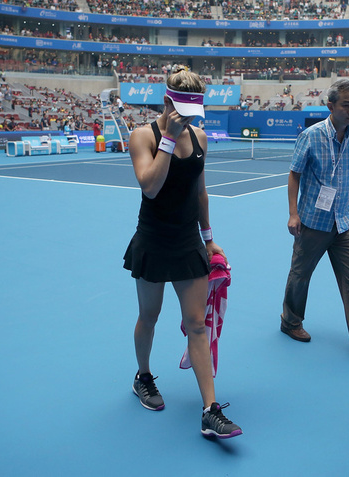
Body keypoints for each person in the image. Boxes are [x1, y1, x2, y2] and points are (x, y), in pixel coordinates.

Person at [123, 66, 242, 439]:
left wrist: (208, 238)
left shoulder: (201, 136)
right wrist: (169, 139)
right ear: (167, 102)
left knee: (196, 324)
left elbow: (200, 191)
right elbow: (151, 188)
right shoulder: (142, 136)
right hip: (154, 240)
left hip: (189, 241)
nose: (188, 120)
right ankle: (143, 376)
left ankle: (210, 410)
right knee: (150, 315)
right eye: (183, 113)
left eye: (193, 115)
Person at [280, 79, 349, 357]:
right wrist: (293, 214)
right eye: (346, 105)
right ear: (330, 106)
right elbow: (294, 174)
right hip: (312, 221)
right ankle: (290, 321)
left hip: (343, 223)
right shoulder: (310, 135)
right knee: (300, 275)